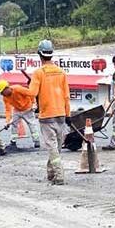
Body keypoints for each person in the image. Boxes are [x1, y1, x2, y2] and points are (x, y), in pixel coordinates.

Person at [26, 40, 71, 185]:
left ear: (39, 54)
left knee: (52, 146)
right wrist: (68, 114)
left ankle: (59, 175)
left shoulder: (38, 73)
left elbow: (32, 93)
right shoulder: (61, 72)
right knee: (56, 147)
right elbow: (66, 96)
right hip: (61, 114)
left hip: (47, 115)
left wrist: (19, 89)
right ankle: (51, 173)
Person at [0, 79, 40, 150]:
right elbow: (8, 110)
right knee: (14, 125)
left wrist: (34, 103)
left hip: (27, 109)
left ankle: (36, 141)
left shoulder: (18, 88)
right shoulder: (5, 97)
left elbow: (31, 94)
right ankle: (13, 142)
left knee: (31, 124)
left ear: (7, 88)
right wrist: (7, 121)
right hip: (17, 110)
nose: (2, 94)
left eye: (2, 91)